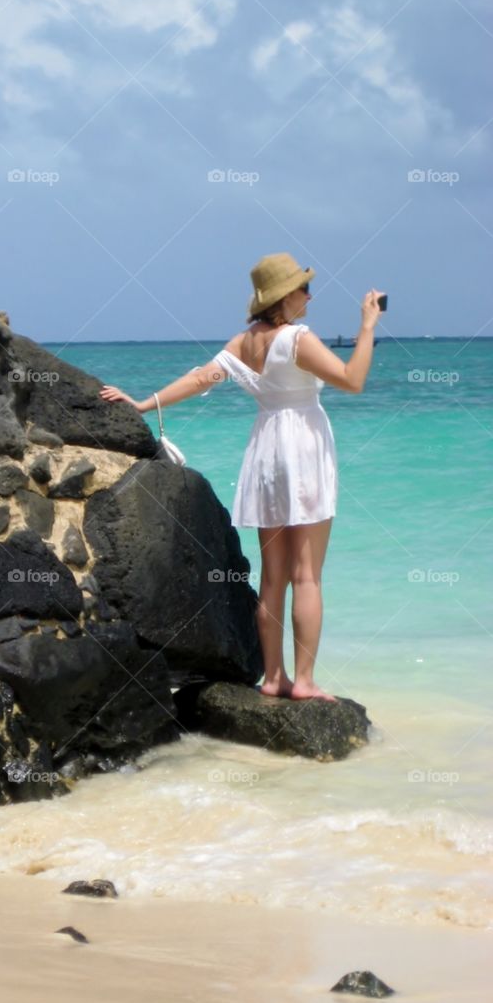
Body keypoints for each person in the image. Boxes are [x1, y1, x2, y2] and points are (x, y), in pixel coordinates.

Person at [99, 252, 383, 703]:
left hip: (267, 450)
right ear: (284, 297)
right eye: (303, 288)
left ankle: (273, 677)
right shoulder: (298, 338)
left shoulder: (241, 343)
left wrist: (142, 403)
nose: (309, 295)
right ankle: (304, 681)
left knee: (273, 577)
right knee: (307, 576)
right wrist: (367, 327)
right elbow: (352, 380)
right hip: (304, 449)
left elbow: (198, 380)